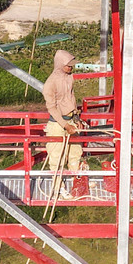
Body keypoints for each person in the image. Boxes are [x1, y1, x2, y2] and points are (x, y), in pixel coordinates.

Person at [42, 49, 86, 198]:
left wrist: (76, 119)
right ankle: (59, 189)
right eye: (68, 65)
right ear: (60, 64)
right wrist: (65, 125)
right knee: (57, 158)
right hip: (57, 124)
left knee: (75, 152)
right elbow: (52, 108)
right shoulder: (50, 83)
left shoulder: (69, 77)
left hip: (71, 120)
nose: (71, 67)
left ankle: (77, 182)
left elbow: (71, 97)